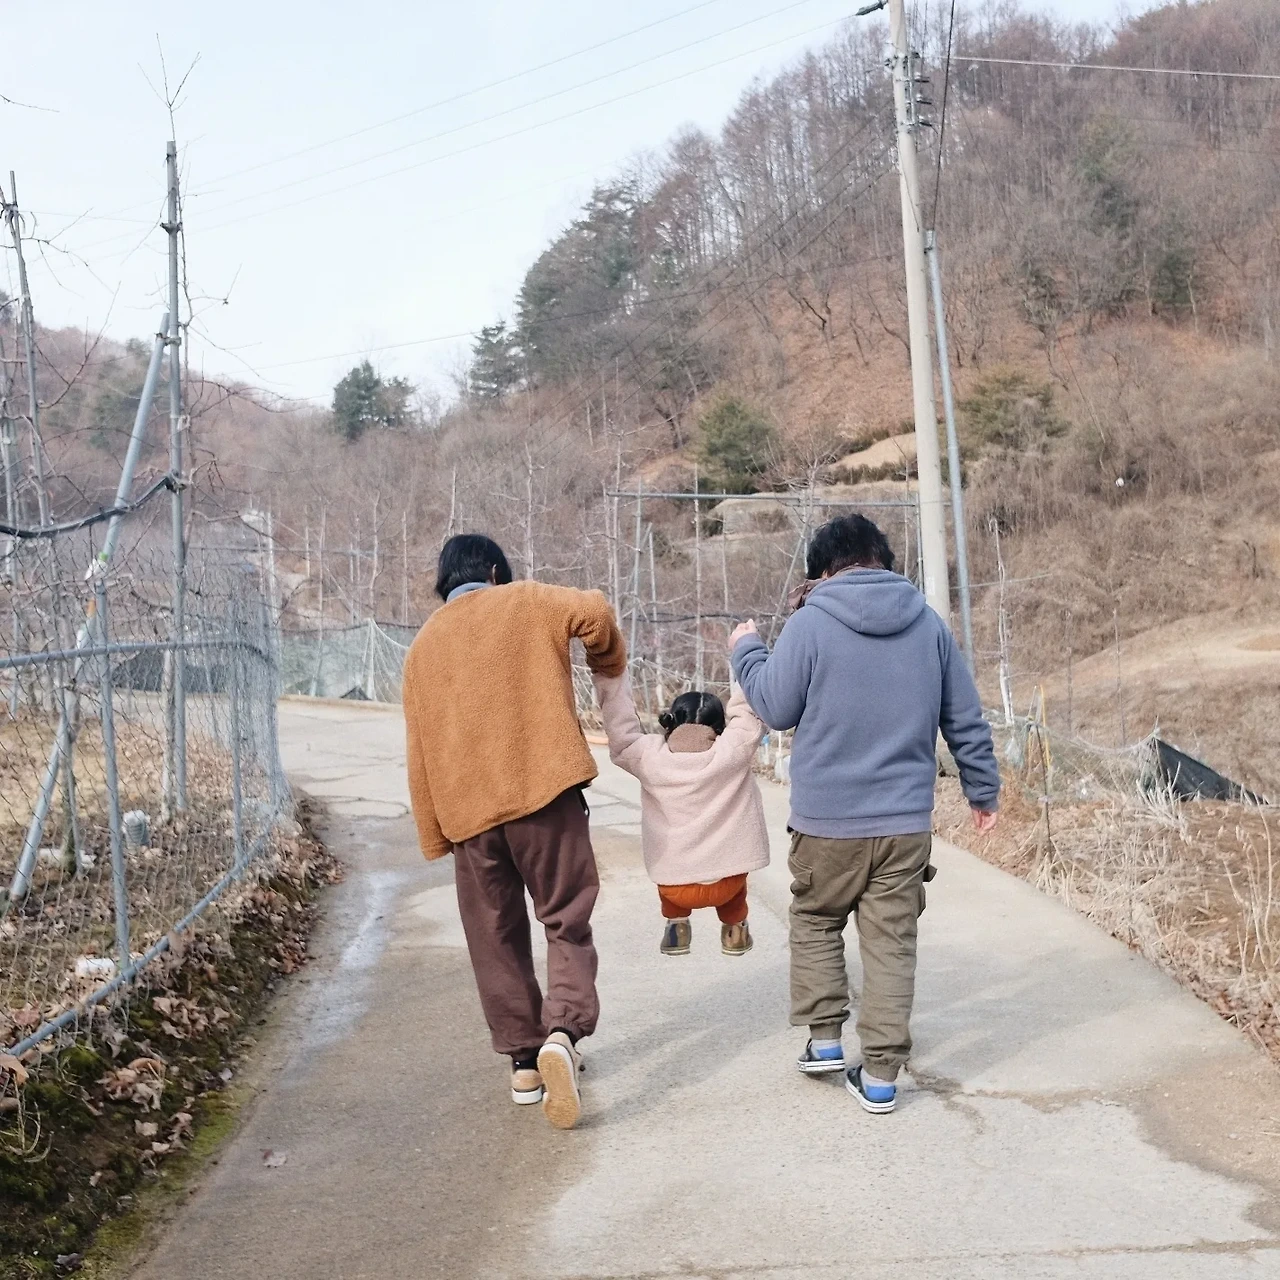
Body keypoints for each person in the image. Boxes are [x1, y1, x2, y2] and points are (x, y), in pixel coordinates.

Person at [729, 513, 999, 1114]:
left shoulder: (810, 622)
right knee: (891, 943)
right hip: (905, 825)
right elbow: (965, 719)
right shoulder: (928, 625)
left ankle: (825, 1042)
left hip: (826, 822)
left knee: (817, 920)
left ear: (822, 571)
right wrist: (982, 792)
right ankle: (879, 1078)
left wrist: (746, 651)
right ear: (883, 562)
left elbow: (773, 705)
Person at [402, 534, 626, 1131]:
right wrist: (606, 661)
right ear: (495, 571)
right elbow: (596, 613)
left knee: (493, 937)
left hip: (468, 819)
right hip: (544, 793)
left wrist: (434, 833)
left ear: (445, 585)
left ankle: (525, 1064)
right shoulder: (526, 600)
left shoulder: (422, 647)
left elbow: (417, 747)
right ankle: (563, 1033)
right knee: (565, 918)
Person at [593, 672, 769, 957]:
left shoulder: (648, 757)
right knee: (733, 876)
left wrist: (611, 675)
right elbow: (747, 713)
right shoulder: (733, 750)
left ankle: (676, 926)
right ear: (720, 725)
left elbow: (620, 732)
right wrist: (746, 662)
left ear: (671, 721)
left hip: (675, 888)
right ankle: (735, 928)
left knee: (672, 874)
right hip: (727, 884)